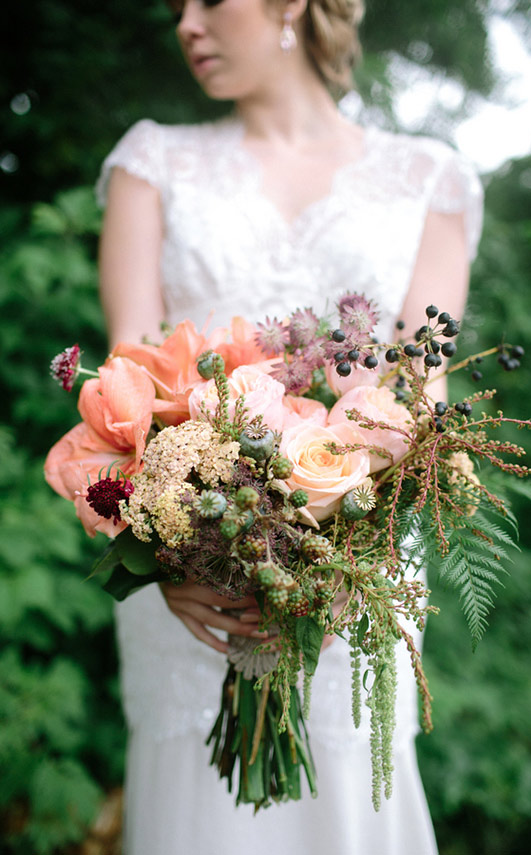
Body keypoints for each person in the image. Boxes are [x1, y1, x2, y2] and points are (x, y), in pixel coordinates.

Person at [96, 1, 483, 852]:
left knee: (351, 791)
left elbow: (422, 389)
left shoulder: (430, 178)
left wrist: (356, 555)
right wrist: (168, 555)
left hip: (358, 570)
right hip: (192, 574)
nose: (186, 24)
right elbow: (126, 383)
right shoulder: (150, 163)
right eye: (175, 7)